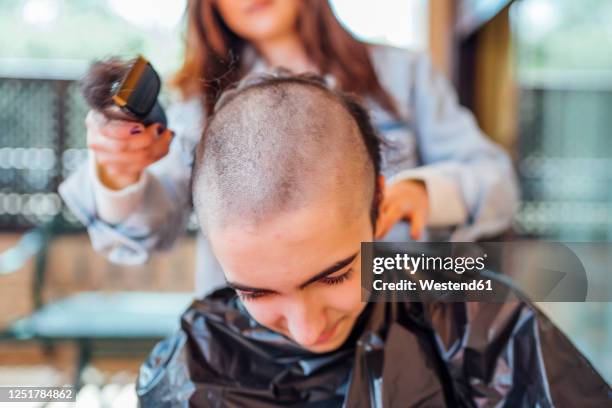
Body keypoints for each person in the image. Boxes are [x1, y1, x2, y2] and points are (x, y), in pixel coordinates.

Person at [136, 74, 610, 407]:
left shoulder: (476, 316)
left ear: (379, 205)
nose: (307, 330)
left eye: (336, 274)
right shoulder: (196, 362)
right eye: (255, 292)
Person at [59, 0, 518, 294]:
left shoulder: (403, 75)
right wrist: (120, 178)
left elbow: (496, 182)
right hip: (253, 355)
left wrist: (422, 191)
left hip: (395, 321)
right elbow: (152, 227)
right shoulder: (198, 105)